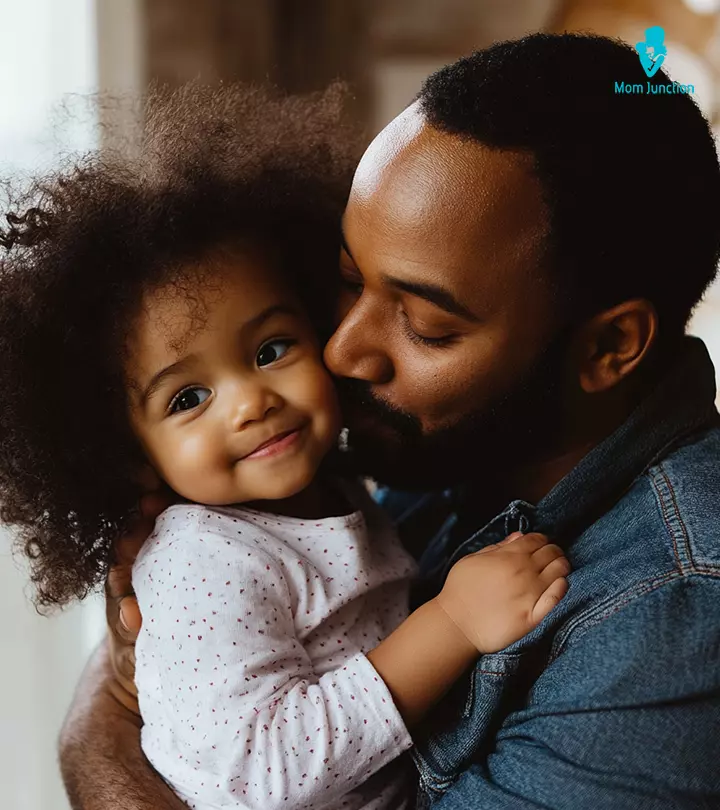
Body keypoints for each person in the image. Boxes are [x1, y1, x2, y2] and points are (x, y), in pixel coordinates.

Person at [58, 32, 720, 810]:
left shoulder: (671, 617)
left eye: (427, 327)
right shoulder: (428, 458)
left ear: (608, 346)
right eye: (345, 280)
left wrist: (93, 735)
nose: (341, 352)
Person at [0, 84, 568, 810]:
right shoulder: (204, 562)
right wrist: (450, 624)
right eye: (187, 398)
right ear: (130, 454)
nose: (251, 400)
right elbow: (259, 775)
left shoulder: (334, 491)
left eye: (271, 348)